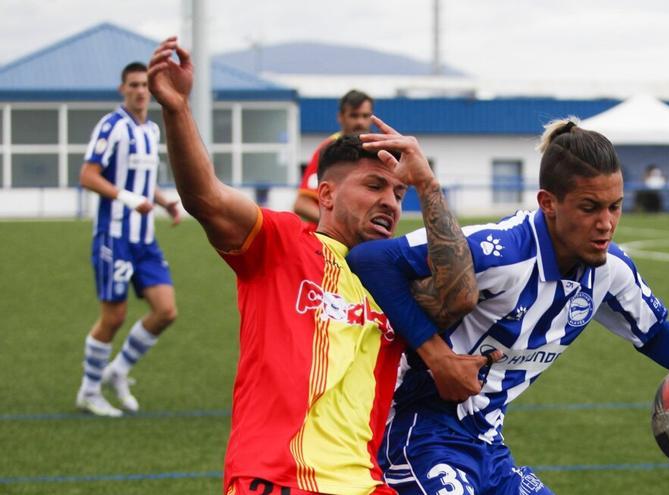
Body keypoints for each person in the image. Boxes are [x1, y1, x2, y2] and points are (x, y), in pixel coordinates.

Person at [348, 118, 669, 495]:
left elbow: (655, 332)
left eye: (615, 207)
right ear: (549, 203)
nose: (605, 224)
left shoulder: (609, 268)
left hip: (488, 443)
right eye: (589, 208)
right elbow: (370, 260)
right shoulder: (499, 250)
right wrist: (436, 355)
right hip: (417, 433)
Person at [147, 37, 496, 495]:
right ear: (326, 196)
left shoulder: (392, 282)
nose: (389, 202)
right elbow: (206, 197)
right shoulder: (282, 243)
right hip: (275, 481)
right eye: (373, 185)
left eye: (398, 193)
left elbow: (459, 293)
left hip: (367, 485)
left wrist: (427, 183)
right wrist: (176, 110)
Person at [75, 61, 181, 418]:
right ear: (123, 89)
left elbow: (141, 180)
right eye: (133, 84)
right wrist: (127, 199)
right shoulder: (112, 127)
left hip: (144, 239)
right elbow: (88, 176)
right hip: (114, 236)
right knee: (114, 317)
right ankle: (89, 392)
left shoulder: (151, 130)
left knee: (165, 310)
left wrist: (165, 201)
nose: (139, 91)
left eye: (144, 85)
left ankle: (117, 371)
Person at [294, 89, 374, 230]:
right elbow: (302, 204)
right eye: (354, 116)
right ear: (340, 117)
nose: (360, 122)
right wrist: (342, 226)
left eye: (365, 116)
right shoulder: (328, 150)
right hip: (329, 244)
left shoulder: (377, 149)